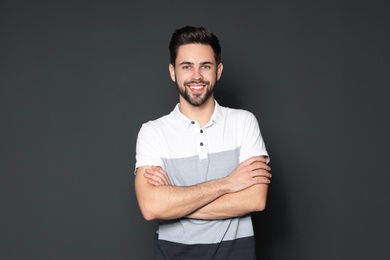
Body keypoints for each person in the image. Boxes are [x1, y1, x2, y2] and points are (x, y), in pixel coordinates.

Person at [134, 26, 272, 260]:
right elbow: (152, 208)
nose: (196, 75)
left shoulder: (243, 122)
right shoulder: (153, 132)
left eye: (205, 66)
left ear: (218, 71)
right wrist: (229, 183)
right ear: (172, 71)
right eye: (186, 66)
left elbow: (255, 200)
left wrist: (174, 201)